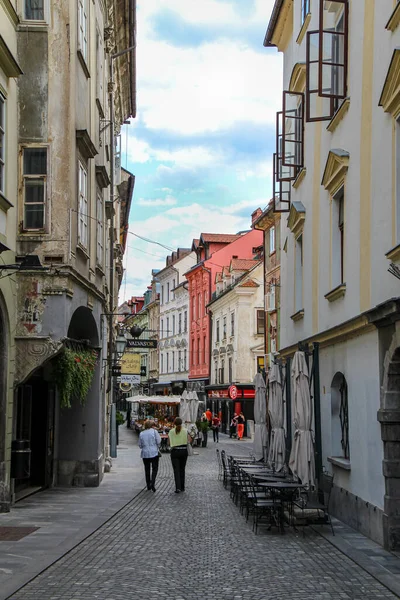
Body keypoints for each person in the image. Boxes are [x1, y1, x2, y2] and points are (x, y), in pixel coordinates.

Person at [168, 417, 191, 493]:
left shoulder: (171, 431)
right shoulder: (185, 431)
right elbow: (189, 440)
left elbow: (168, 442)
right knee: (182, 469)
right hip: (184, 451)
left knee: (176, 470)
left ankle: (178, 487)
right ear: (181, 423)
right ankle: (182, 487)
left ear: (174, 423)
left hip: (175, 451)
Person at [138, 420, 161, 492]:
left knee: (147, 469)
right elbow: (159, 441)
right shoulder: (154, 432)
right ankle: (153, 483)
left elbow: (140, 445)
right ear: (152, 425)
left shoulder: (142, 433)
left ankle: (148, 484)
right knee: (155, 468)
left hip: (145, 453)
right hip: (154, 452)